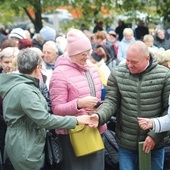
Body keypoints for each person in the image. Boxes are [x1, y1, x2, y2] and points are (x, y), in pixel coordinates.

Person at [0, 48, 91, 170]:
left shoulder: (22, 85)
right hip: (26, 145)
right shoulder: (25, 90)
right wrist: (76, 120)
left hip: (25, 141)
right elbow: (45, 119)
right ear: (38, 68)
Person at [90, 40, 170, 170]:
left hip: (155, 143)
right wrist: (99, 116)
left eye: (134, 62)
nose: (129, 65)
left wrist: (155, 136)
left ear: (147, 58)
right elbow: (111, 101)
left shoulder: (165, 75)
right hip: (126, 142)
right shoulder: (117, 73)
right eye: (127, 60)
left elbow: (168, 111)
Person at [49, 29, 107, 170]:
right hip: (73, 134)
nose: (87, 56)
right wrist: (79, 103)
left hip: (96, 129)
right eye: (83, 53)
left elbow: (100, 97)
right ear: (72, 53)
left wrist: (100, 108)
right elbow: (56, 109)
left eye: (88, 51)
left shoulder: (92, 69)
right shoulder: (59, 73)